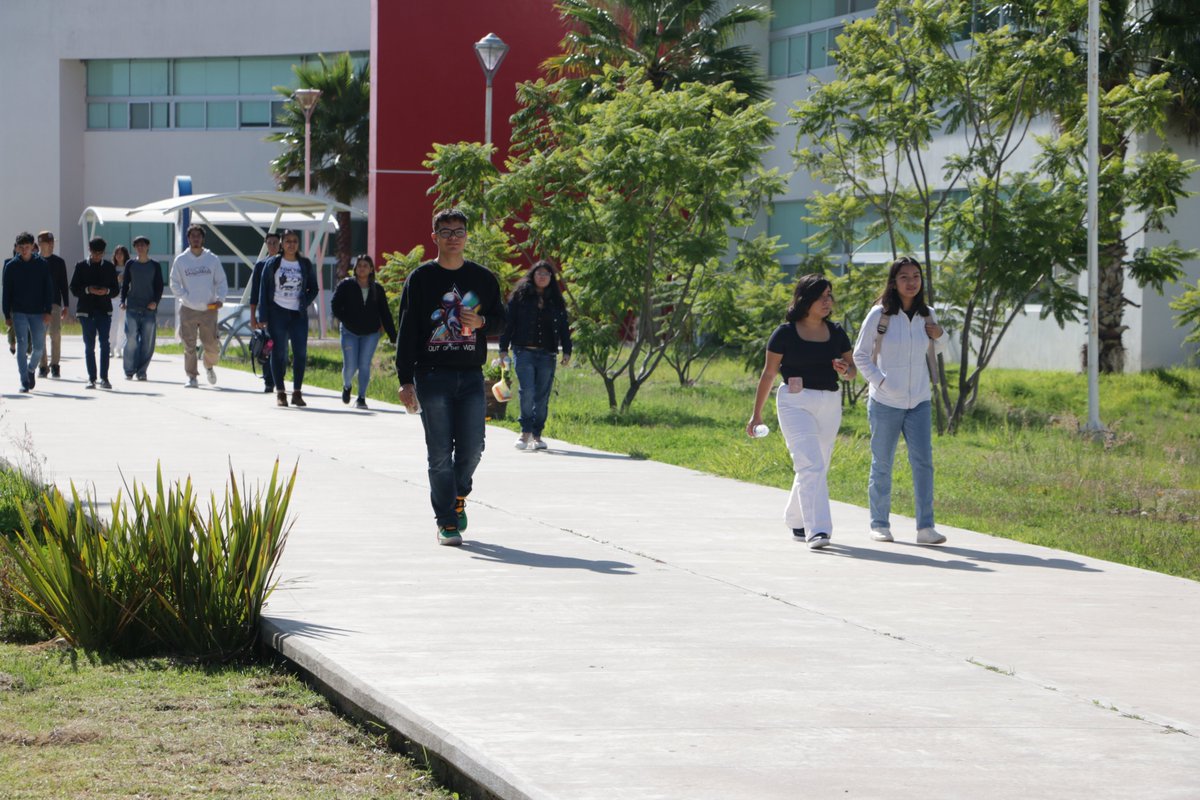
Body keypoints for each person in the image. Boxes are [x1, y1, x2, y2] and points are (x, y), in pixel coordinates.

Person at [396, 209, 505, 546]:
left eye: (459, 231)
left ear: (467, 236)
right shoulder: (421, 278)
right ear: (435, 237)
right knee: (440, 452)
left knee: (473, 448)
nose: (454, 237)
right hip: (432, 375)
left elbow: (502, 320)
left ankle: (459, 493)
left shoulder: (483, 278)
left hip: (471, 375)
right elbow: (408, 329)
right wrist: (405, 379)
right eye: (446, 231)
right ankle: (446, 520)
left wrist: (482, 323)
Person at [747, 274, 855, 550]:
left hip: (829, 402)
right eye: (822, 296)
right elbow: (769, 373)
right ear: (805, 299)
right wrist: (756, 414)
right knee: (811, 465)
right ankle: (817, 530)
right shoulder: (784, 333)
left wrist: (846, 370)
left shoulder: (837, 331)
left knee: (818, 465)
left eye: (830, 295)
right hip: (795, 403)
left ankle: (795, 518)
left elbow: (852, 371)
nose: (827, 301)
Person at [852, 256, 948, 545]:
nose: (911, 282)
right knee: (882, 463)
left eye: (916, 276)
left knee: (923, 463)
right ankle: (879, 524)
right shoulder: (879, 315)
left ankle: (926, 527)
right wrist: (881, 381)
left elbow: (940, 349)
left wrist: (940, 334)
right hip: (884, 402)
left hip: (918, 401)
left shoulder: (928, 314)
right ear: (894, 282)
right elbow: (860, 356)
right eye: (904, 277)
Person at [497, 260, 572, 450]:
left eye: (546, 274)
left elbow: (563, 327)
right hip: (523, 351)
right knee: (527, 391)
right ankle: (525, 432)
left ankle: (537, 435)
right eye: (539, 273)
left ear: (551, 278)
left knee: (541, 395)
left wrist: (567, 350)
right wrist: (503, 348)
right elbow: (509, 323)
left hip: (547, 353)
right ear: (533, 275)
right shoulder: (520, 296)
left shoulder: (556, 300)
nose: (542, 277)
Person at [258, 229, 318, 407]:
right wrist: (263, 316)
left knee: (300, 353)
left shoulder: (304, 264)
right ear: (282, 244)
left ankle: (297, 392)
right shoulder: (273, 264)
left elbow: (313, 289)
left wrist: (303, 302)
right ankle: (281, 392)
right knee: (278, 353)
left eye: (295, 241)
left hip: (298, 315)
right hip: (278, 313)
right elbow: (263, 289)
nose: (291, 244)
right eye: (288, 241)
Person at [331, 254, 397, 409]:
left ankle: (361, 397)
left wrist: (393, 336)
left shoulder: (377, 289)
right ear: (355, 269)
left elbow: (385, 313)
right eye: (359, 265)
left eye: (365, 266)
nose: (362, 268)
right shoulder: (346, 285)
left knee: (364, 365)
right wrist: (346, 319)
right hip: (349, 332)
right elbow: (335, 305)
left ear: (371, 269)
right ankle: (347, 386)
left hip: (371, 333)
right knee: (350, 366)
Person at [169, 224, 227, 388]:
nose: (195, 238)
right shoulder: (181, 260)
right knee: (189, 345)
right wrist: (185, 297)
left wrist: (220, 298)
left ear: (202, 238)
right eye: (192, 236)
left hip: (209, 309)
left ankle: (208, 365)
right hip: (188, 309)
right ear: (188, 239)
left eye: (198, 236)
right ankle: (192, 376)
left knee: (212, 347)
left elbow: (221, 281)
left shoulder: (212, 259)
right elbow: (174, 283)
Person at [2, 232, 53, 393]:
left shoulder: (42, 264)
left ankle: (31, 370)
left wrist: (48, 310)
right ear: (17, 248)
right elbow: (6, 292)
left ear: (33, 247)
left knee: (38, 347)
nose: (24, 250)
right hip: (19, 312)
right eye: (21, 247)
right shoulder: (11, 266)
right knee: (22, 345)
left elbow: (48, 289)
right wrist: (6, 314)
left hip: (38, 312)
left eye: (27, 247)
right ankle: (24, 380)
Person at [69, 237, 120, 390]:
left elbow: (116, 290)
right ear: (89, 251)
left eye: (100, 253)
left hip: (104, 311)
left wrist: (107, 291)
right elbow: (73, 288)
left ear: (104, 252)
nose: (97, 256)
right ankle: (92, 378)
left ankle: (104, 378)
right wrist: (88, 289)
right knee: (89, 346)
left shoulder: (110, 267)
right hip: (86, 311)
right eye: (94, 253)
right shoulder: (81, 266)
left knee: (105, 344)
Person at [120, 235, 163, 380]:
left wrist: (155, 302)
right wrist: (122, 300)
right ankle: (129, 370)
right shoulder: (130, 264)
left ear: (148, 247)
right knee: (131, 339)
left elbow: (159, 287)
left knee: (147, 342)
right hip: (132, 307)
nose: (140, 248)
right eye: (137, 245)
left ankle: (142, 371)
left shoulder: (155, 265)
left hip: (149, 309)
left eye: (143, 245)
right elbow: (125, 284)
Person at [249, 231, 281, 393]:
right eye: (270, 243)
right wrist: (253, 316)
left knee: (280, 347)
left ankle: (278, 378)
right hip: (266, 314)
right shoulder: (261, 266)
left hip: (283, 313)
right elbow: (254, 293)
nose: (273, 245)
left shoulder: (287, 264)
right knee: (267, 346)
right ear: (266, 244)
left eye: (276, 242)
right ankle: (269, 380)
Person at [35, 231, 69, 379]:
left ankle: (55, 365)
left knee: (55, 333)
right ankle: (42, 366)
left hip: (54, 303)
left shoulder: (59, 262)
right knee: (39, 336)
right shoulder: (34, 261)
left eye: (52, 242)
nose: (51, 245)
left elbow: (63, 284)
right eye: (48, 242)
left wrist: (66, 305)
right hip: (36, 304)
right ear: (41, 244)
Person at [109, 244, 130, 359]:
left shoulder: (129, 267)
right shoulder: (111, 268)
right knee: (113, 324)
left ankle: (119, 348)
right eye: (117, 253)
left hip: (125, 299)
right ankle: (111, 347)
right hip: (114, 299)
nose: (119, 256)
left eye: (121, 254)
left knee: (123, 325)